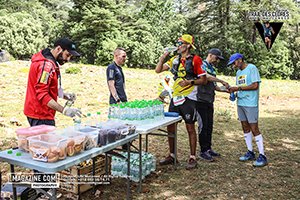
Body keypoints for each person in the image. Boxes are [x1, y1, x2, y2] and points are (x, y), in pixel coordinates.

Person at [155, 34, 207, 170]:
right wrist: (162, 58)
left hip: (189, 97)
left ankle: (192, 157)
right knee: (170, 126)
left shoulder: (196, 59)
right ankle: (172, 155)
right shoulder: (174, 59)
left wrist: (190, 82)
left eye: (181, 43)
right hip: (175, 97)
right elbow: (158, 70)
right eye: (178, 42)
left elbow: (204, 80)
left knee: (190, 127)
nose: (178, 45)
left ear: (188, 45)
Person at [24, 38, 82, 127]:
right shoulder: (46, 66)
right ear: (58, 49)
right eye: (67, 55)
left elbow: (47, 87)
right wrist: (64, 110)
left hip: (43, 112)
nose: (68, 59)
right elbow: (42, 95)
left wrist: (64, 95)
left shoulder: (50, 63)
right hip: (40, 114)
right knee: (44, 141)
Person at [227, 53, 267, 167]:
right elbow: (241, 87)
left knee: (254, 128)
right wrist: (234, 93)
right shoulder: (238, 73)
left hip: (251, 103)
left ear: (240, 60)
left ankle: (262, 155)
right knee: (245, 127)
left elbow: (255, 86)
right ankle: (250, 152)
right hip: (241, 103)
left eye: (234, 63)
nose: (233, 66)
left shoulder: (252, 68)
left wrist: (238, 88)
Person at [196, 48, 229, 161]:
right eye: (217, 58)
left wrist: (225, 90)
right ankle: (203, 151)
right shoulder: (201, 65)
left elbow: (214, 86)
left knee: (209, 126)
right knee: (203, 126)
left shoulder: (212, 68)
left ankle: (208, 148)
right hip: (200, 100)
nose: (217, 61)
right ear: (210, 55)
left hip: (209, 100)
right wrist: (221, 80)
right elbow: (206, 77)